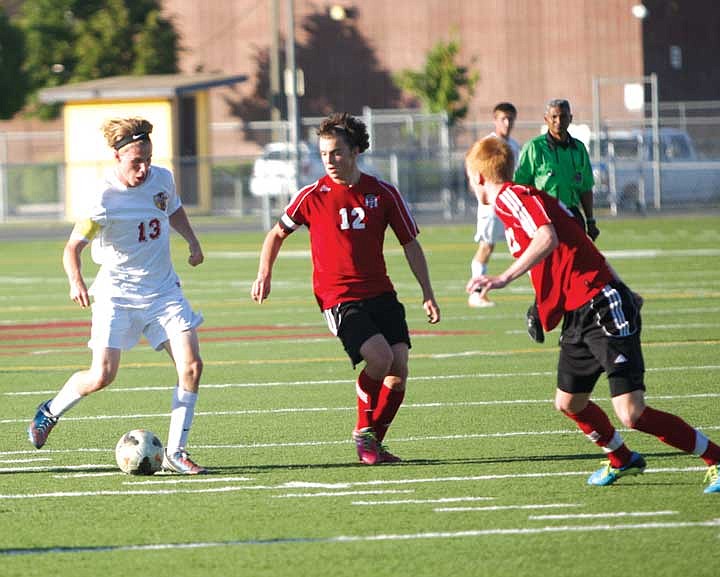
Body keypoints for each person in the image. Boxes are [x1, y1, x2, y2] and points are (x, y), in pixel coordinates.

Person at [464, 136, 720, 493]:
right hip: (579, 312)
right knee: (569, 402)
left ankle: (716, 458)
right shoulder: (528, 199)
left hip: (601, 306)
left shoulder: (510, 197)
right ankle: (622, 458)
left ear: (477, 177)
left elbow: (548, 237)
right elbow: (576, 246)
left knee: (632, 413)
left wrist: (504, 277)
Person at [251, 112, 441, 465]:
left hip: (380, 292)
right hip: (338, 297)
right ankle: (362, 433)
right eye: (324, 154)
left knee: (398, 371)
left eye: (337, 152)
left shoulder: (383, 193)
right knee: (380, 358)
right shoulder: (312, 195)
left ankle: (374, 443)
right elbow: (276, 233)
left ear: (355, 151)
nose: (330, 161)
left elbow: (410, 244)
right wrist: (265, 272)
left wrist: (427, 292)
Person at [26, 117, 207, 475]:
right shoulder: (103, 197)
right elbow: (72, 247)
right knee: (102, 376)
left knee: (192, 366)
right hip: (117, 295)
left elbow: (172, 209)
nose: (144, 169)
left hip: (163, 292)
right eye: (135, 162)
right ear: (117, 157)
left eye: (148, 160)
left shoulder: (163, 180)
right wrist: (76, 280)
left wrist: (192, 240)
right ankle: (49, 411)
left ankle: (175, 452)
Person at [514, 99, 598, 342]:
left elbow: (585, 187)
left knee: (576, 273)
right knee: (551, 272)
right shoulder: (534, 148)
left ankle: (570, 329)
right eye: (553, 117)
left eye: (563, 117)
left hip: (572, 215)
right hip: (545, 218)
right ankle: (538, 312)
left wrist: (590, 220)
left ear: (571, 118)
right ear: (546, 119)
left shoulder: (579, 149)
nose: (558, 121)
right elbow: (521, 186)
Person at [468, 102, 521, 308]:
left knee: (520, 244)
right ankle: (476, 292)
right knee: (486, 246)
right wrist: (480, 193)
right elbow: (471, 166)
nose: (507, 123)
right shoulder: (488, 144)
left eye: (510, 119)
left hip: (510, 202)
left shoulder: (514, 145)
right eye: (503, 119)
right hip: (492, 206)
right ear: (495, 120)